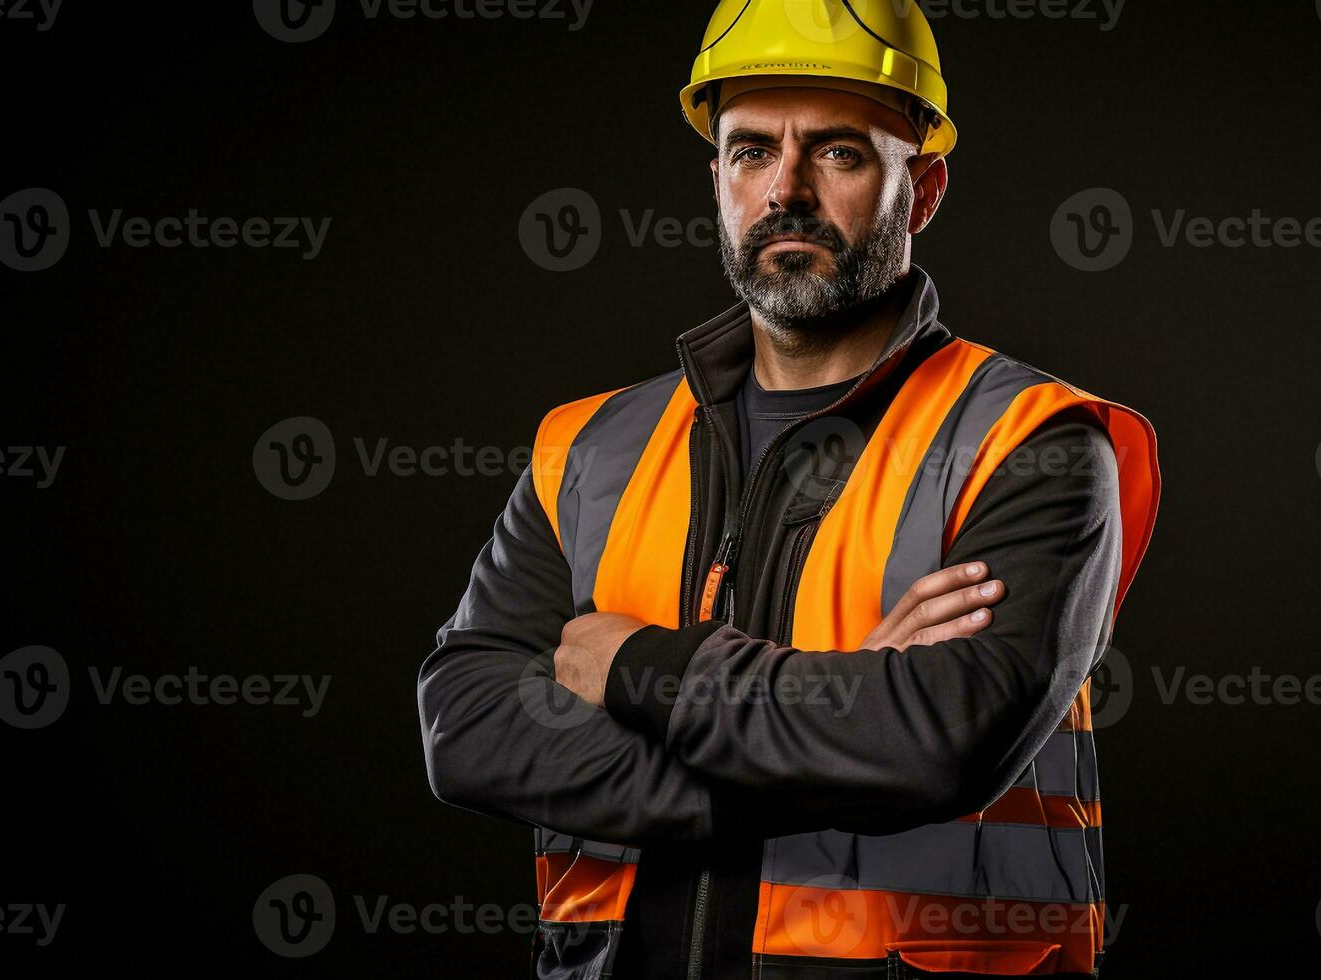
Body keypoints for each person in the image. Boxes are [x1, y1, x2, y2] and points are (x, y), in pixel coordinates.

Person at [417, 2, 1161, 977]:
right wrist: (834, 719)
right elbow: (467, 728)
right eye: (752, 151)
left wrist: (638, 664)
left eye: (841, 154)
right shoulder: (592, 446)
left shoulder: (1027, 444)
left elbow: (936, 739)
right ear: (717, 178)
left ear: (924, 189)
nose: (787, 190)